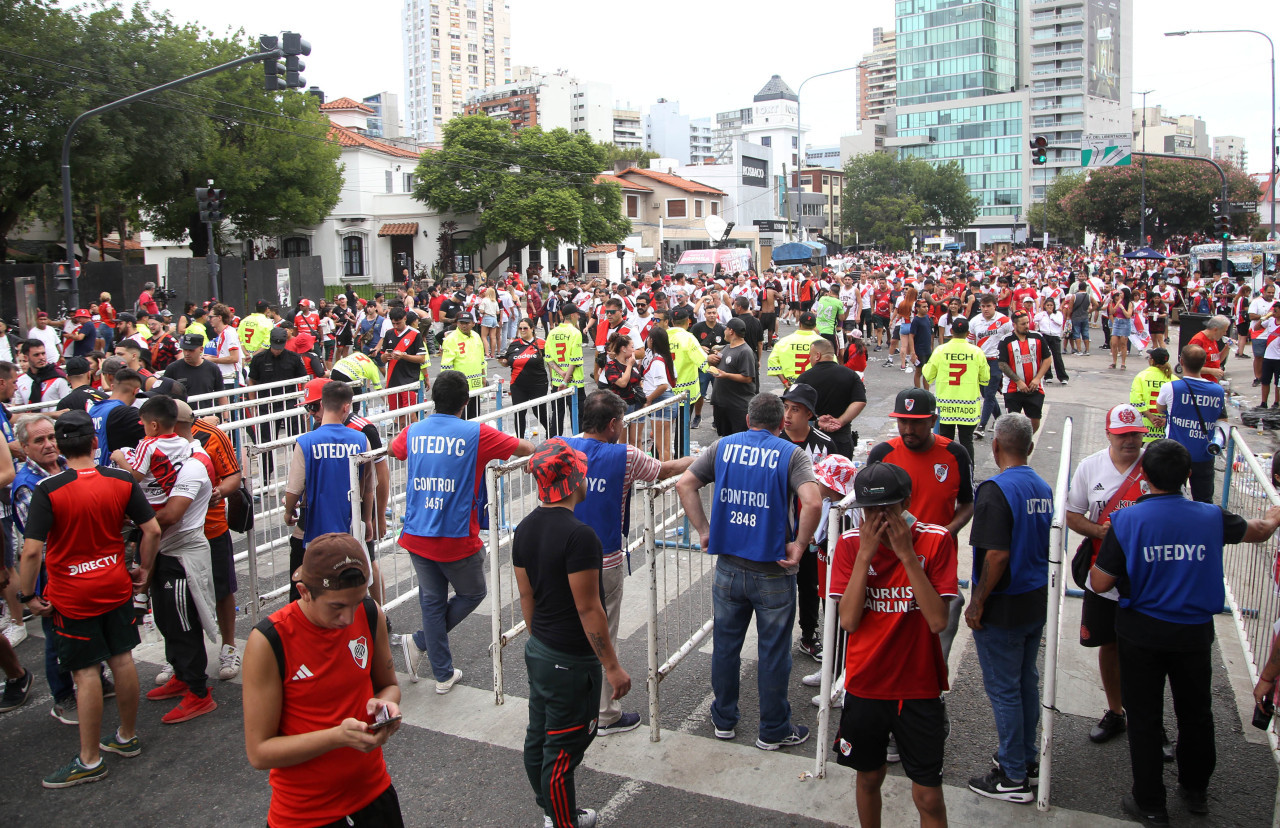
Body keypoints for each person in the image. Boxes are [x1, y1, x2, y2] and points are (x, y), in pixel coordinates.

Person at [1091, 439, 1280, 823]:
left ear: (1144, 476)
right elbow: (1258, 530)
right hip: (1193, 633)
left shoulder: (1127, 521)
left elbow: (1098, 582)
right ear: (1188, 476)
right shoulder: (1210, 516)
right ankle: (1195, 791)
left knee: (1144, 717)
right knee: (1196, 713)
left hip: (1141, 631)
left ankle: (1150, 803)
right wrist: (1275, 515)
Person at [17, 410, 161, 788]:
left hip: (72, 594)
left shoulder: (49, 490)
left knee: (85, 673)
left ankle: (90, 758)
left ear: (60, 447)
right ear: (95, 442)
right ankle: (127, 737)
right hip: (115, 584)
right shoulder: (120, 480)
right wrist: (142, 569)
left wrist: (27, 596)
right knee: (122, 659)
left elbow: (31, 553)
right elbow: (152, 529)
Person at [676, 393, 821, 750]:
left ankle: (724, 718)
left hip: (729, 567)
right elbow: (814, 501)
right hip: (773, 570)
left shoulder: (724, 447)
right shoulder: (791, 453)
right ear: (779, 424)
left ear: (748, 420)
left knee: (726, 645)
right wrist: (800, 546)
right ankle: (772, 729)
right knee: (773, 652)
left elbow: (685, 484)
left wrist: (704, 530)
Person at [242, 533, 405, 828]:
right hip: (305, 815)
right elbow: (259, 752)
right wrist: (337, 737)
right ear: (304, 591)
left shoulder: (370, 614)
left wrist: (387, 707)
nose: (347, 617)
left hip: (373, 794)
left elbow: (389, 686)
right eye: (336, 607)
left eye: (357, 602)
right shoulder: (270, 640)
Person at [512, 439, 631, 828]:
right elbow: (589, 607)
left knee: (539, 736)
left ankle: (551, 809)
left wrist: (539, 641)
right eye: (581, 471)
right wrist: (612, 667)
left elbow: (526, 596)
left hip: (542, 650)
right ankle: (562, 820)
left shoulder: (525, 528)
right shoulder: (580, 536)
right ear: (573, 480)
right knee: (564, 749)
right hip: (571, 661)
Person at [830, 462, 954, 828]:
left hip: (919, 687)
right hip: (867, 685)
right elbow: (849, 621)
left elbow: (937, 620)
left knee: (928, 795)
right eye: (870, 510)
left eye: (889, 509)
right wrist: (866, 555)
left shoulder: (936, 540)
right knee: (868, 777)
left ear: (908, 503)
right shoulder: (852, 545)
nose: (880, 519)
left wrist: (906, 556)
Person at [393, 371, 533, 691]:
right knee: (473, 592)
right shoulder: (476, 433)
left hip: (416, 531)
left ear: (432, 398)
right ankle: (421, 645)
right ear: (466, 403)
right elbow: (523, 447)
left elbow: (395, 449)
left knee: (432, 602)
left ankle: (441, 672)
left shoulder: (414, 430)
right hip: (455, 536)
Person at [563, 392, 692, 739]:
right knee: (603, 633)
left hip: (559, 556)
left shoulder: (559, 445)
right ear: (612, 424)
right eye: (622, 422)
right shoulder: (627, 456)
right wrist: (695, 460)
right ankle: (604, 713)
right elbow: (663, 470)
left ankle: (567, 703)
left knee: (565, 631)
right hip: (602, 561)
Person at [964, 413, 1053, 804]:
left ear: (995, 445)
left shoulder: (995, 490)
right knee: (1025, 682)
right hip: (1034, 599)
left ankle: (1013, 776)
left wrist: (978, 602)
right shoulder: (1043, 486)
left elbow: (996, 556)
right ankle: (1026, 760)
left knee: (1005, 690)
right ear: (1030, 447)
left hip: (1005, 602)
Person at [118, 395, 220, 724]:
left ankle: (198, 691)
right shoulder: (167, 453)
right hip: (164, 550)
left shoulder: (195, 461)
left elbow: (172, 514)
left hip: (182, 553)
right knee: (166, 618)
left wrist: (137, 522)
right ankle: (180, 674)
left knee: (183, 622)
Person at [868, 388, 973, 668]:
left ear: (933, 420)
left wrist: (948, 531)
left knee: (938, 631)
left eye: (916, 422)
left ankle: (933, 693)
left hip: (938, 562)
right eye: (902, 421)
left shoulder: (955, 453)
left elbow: (968, 503)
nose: (908, 429)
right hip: (891, 564)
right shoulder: (882, 453)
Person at [1066, 403, 1151, 749]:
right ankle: (1116, 711)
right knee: (1109, 646)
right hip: (1103, 575)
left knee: (1148, 653)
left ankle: (1150, 722)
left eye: (1135, 434)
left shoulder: (1154, 466)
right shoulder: (1091, 467)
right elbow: (1073, 515)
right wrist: (1102, 534)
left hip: (1147, 579)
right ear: (1109, 435)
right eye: (1122, 435)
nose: (1130, 441)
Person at [283, 381, 375, 601]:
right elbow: (368, 487)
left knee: (303, 591)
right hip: (348, 530)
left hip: (312, 532)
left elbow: (294, 489)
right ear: (346, 407)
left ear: (323, 404)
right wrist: (368, 520)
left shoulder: (305, 442)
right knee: (344, 589)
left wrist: (288, 511)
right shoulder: (361, 440)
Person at [178, 400, 244, 682]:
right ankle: (179, 656)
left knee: (222, 590)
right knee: (178, 600)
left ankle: (229, 646)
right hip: (175, 536)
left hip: (212, 528)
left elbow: (234, 477)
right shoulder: (151, 441)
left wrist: (219, 491)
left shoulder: (212, 435)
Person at [778, 383, 833, 662]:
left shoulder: (824, 444)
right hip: (779, 530)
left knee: (810, 585)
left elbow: (834, 490)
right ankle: (775, 637)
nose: (787, 415)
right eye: (786, 407)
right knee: (776, 586)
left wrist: (818, 530)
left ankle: (809, 635)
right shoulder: (774, 440)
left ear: (809, 414)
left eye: (795, 409)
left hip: (812, 532)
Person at [1156, 344, 1227, 503]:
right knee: (1204, 501)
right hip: (1204, 455)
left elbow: (1160, 408)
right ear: (1204, 364)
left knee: (1171, 498)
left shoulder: (1171, 387)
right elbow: (1221, 418)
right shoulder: (1217, 391)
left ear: (1181, 361)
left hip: (1175, 455)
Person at [921, 317, 988, 461]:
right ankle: (968, 473)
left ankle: (946, 472)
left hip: (947, 405)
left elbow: (928, 376)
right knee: (966, 441)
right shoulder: (976, 352)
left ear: (951, 331)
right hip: (968, 405)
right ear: (968, 332)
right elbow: (985, 378)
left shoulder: (940, 350)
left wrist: (926, 365)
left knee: (946, 441)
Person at [795, 337, 866, 459]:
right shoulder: (850, 375)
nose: (809, 359)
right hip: (842, 437)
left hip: (812, 439)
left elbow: (796, 406)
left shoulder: (805, 378)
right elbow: (860, 401)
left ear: (817, 355)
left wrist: (816, 420)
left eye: (810, 356)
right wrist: (840, 421)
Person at [996, 309, 1052, 433]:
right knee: (1013, 422)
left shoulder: (1037, 337)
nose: (1027, 326)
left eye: (1027, 323)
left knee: (1035, 419)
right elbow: (1002, 364)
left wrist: (1037, 379)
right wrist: (1018, 382)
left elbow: (1047, 358)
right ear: (1014, 325)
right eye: (1023, 324)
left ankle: (1026, 441)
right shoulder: (1006, 340)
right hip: (1012, 388)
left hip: (1034, 388)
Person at [969, 295, 1013, 437]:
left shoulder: (1004, 321)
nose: (985, 309)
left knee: (989, 393)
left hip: (996, 361)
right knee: (985, 393)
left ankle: (981, 426)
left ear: (995, 306)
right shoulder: (975, 321)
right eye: (983, 306)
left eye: (988, 306)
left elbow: (1011, 339)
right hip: (980, 361)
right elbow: (970, 342)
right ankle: (1000, 420)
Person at [499, 318, 549, 439]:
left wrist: (554, 380)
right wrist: (503, 361)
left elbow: (551, 362)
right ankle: (520, 442)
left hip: (538, 384)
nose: (522, 330)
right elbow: (507, 361)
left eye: (525, 328)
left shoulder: (542, 343)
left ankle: (551, 435)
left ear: (532, 328)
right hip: (518, 385)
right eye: (520, 328)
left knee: (540, 412)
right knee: (519, 413)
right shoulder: (514, 344)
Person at [379, 307, 428, 431]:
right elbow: (383, 359)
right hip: (392, 380)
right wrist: (385, 356)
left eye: (398, 323)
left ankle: (418, 435)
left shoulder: (415, 334)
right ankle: (402, 437)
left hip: (409, 380)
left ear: (405, 318)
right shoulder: (389, 333)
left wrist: (403, 356)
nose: (396, 326)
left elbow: (421, 359)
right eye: (393, 323)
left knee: (411, 413)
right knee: (398, 413)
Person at [707, 317, 757, 436]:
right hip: (722, 404)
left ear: (731, 331)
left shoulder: (745, 351)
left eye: (726, 329)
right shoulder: (727, 348)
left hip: (737, 406)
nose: (723, 331)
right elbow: (718, 364)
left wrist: (726, 375)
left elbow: (748, 377)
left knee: (739, 439)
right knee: (725, 438)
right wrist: (710, 360)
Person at [544, 303, 587, 438]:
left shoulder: (553, 332)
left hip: (557, 382)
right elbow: (574, 360)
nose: (579, 317)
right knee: (578, 417)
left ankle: (554, 446)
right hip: (574, 382)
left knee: (557, 415)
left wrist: (560, 373)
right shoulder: (575, 332)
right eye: (578, 314)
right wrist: (566, 378)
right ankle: (578, 445)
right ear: (573, 315)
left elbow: (548, 358)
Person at [89, 366, 144, 467]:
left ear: (112, 387)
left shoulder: (93, 409)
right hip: (116, 474)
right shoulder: (128, 414)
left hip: (95, 468)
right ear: (136, 391)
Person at [440, 312, 485, 419]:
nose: (464, 326)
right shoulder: (451, 339)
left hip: (476, 383)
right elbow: (446, 364)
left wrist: (483, 376)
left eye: (467, 323)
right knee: (461, 416)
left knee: (475, 416)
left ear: (473, 323)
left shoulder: (476, 336)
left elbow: (481, 358)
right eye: (461, 323)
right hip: (459, 385)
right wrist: (448, 384)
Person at [641, 328, 678, 462]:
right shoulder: (666, 358)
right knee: (666, 445)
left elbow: (662, 385)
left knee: (663, 447)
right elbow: (673, 379)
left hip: (661, 402)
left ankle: (666, 477)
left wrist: (649, 399)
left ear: (651, 341)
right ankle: (669, 474)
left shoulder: (657, 361)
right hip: (667, 401)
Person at [163, 333, 227, 406]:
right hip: (183, 415)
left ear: (201, 349)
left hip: (207, 414)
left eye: (191, 350)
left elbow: (221, 394)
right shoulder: (173, 368)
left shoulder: (212, 368)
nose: (187, 353)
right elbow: (164, 395)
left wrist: (225, 416)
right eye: (185, 349)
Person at [767, 310, 822, 391]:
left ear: (799, 323)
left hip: (792, 386)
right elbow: (831, 364)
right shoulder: (823, 343)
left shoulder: (784, 341)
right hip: (814, 387)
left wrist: (784, 381)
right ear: (815, 325)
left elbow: (772, 361)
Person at [1186, 315, 1229, 384]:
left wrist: (1227, 347)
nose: (1225, 334)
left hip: (1211, 383)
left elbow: (1217, 359)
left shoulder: (1213, 339)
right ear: (1215, 329)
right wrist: (1211, 371)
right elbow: (1189, 367)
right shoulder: (1198, 340)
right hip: (1199, 383)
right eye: (1224, 331)